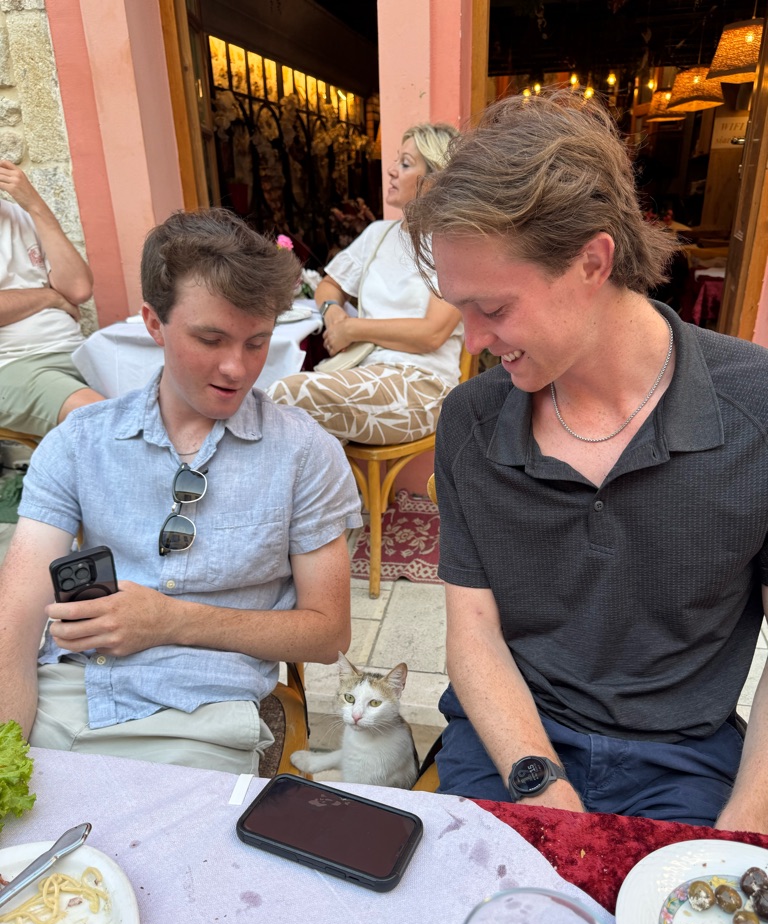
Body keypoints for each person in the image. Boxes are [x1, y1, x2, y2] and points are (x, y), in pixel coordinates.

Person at [405, 90, 768, 832]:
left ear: (593, 261)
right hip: (514, 740)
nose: (472, 341)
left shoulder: (756, 410)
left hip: (684, 756)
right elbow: (473, 631)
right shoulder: (472, 421)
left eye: (493, 309)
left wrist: (740, 831)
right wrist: (541, 787)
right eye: (459, 307)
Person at [0, 207, 362, 772]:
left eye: (257, 342)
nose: (236, 368)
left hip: (202, 715)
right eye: (210, 338)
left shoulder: (303, 453)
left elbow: (328, 635)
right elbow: (18, 620)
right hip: (67, 694)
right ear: (154, 323)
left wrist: (170, 620)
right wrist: (7, 754)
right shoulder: (79, 443)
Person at [268, 123, 464, 445]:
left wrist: (353, 329)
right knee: (285, 415)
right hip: (362, 371)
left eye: (405, 164)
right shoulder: (379, 234)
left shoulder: (453, 244)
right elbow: (329, 285)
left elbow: (432, 333)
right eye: (396, 161)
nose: (391, 170)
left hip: (422, 387)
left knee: (284, 396)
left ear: (434, 180)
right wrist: (333, 314)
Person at [0, 160, 103, 436]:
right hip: (11, 365)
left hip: (76, 351)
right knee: (99, 419)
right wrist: (49, 297)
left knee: (163, 397)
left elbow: (78, 288)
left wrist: (35, 205)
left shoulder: (21, 214)